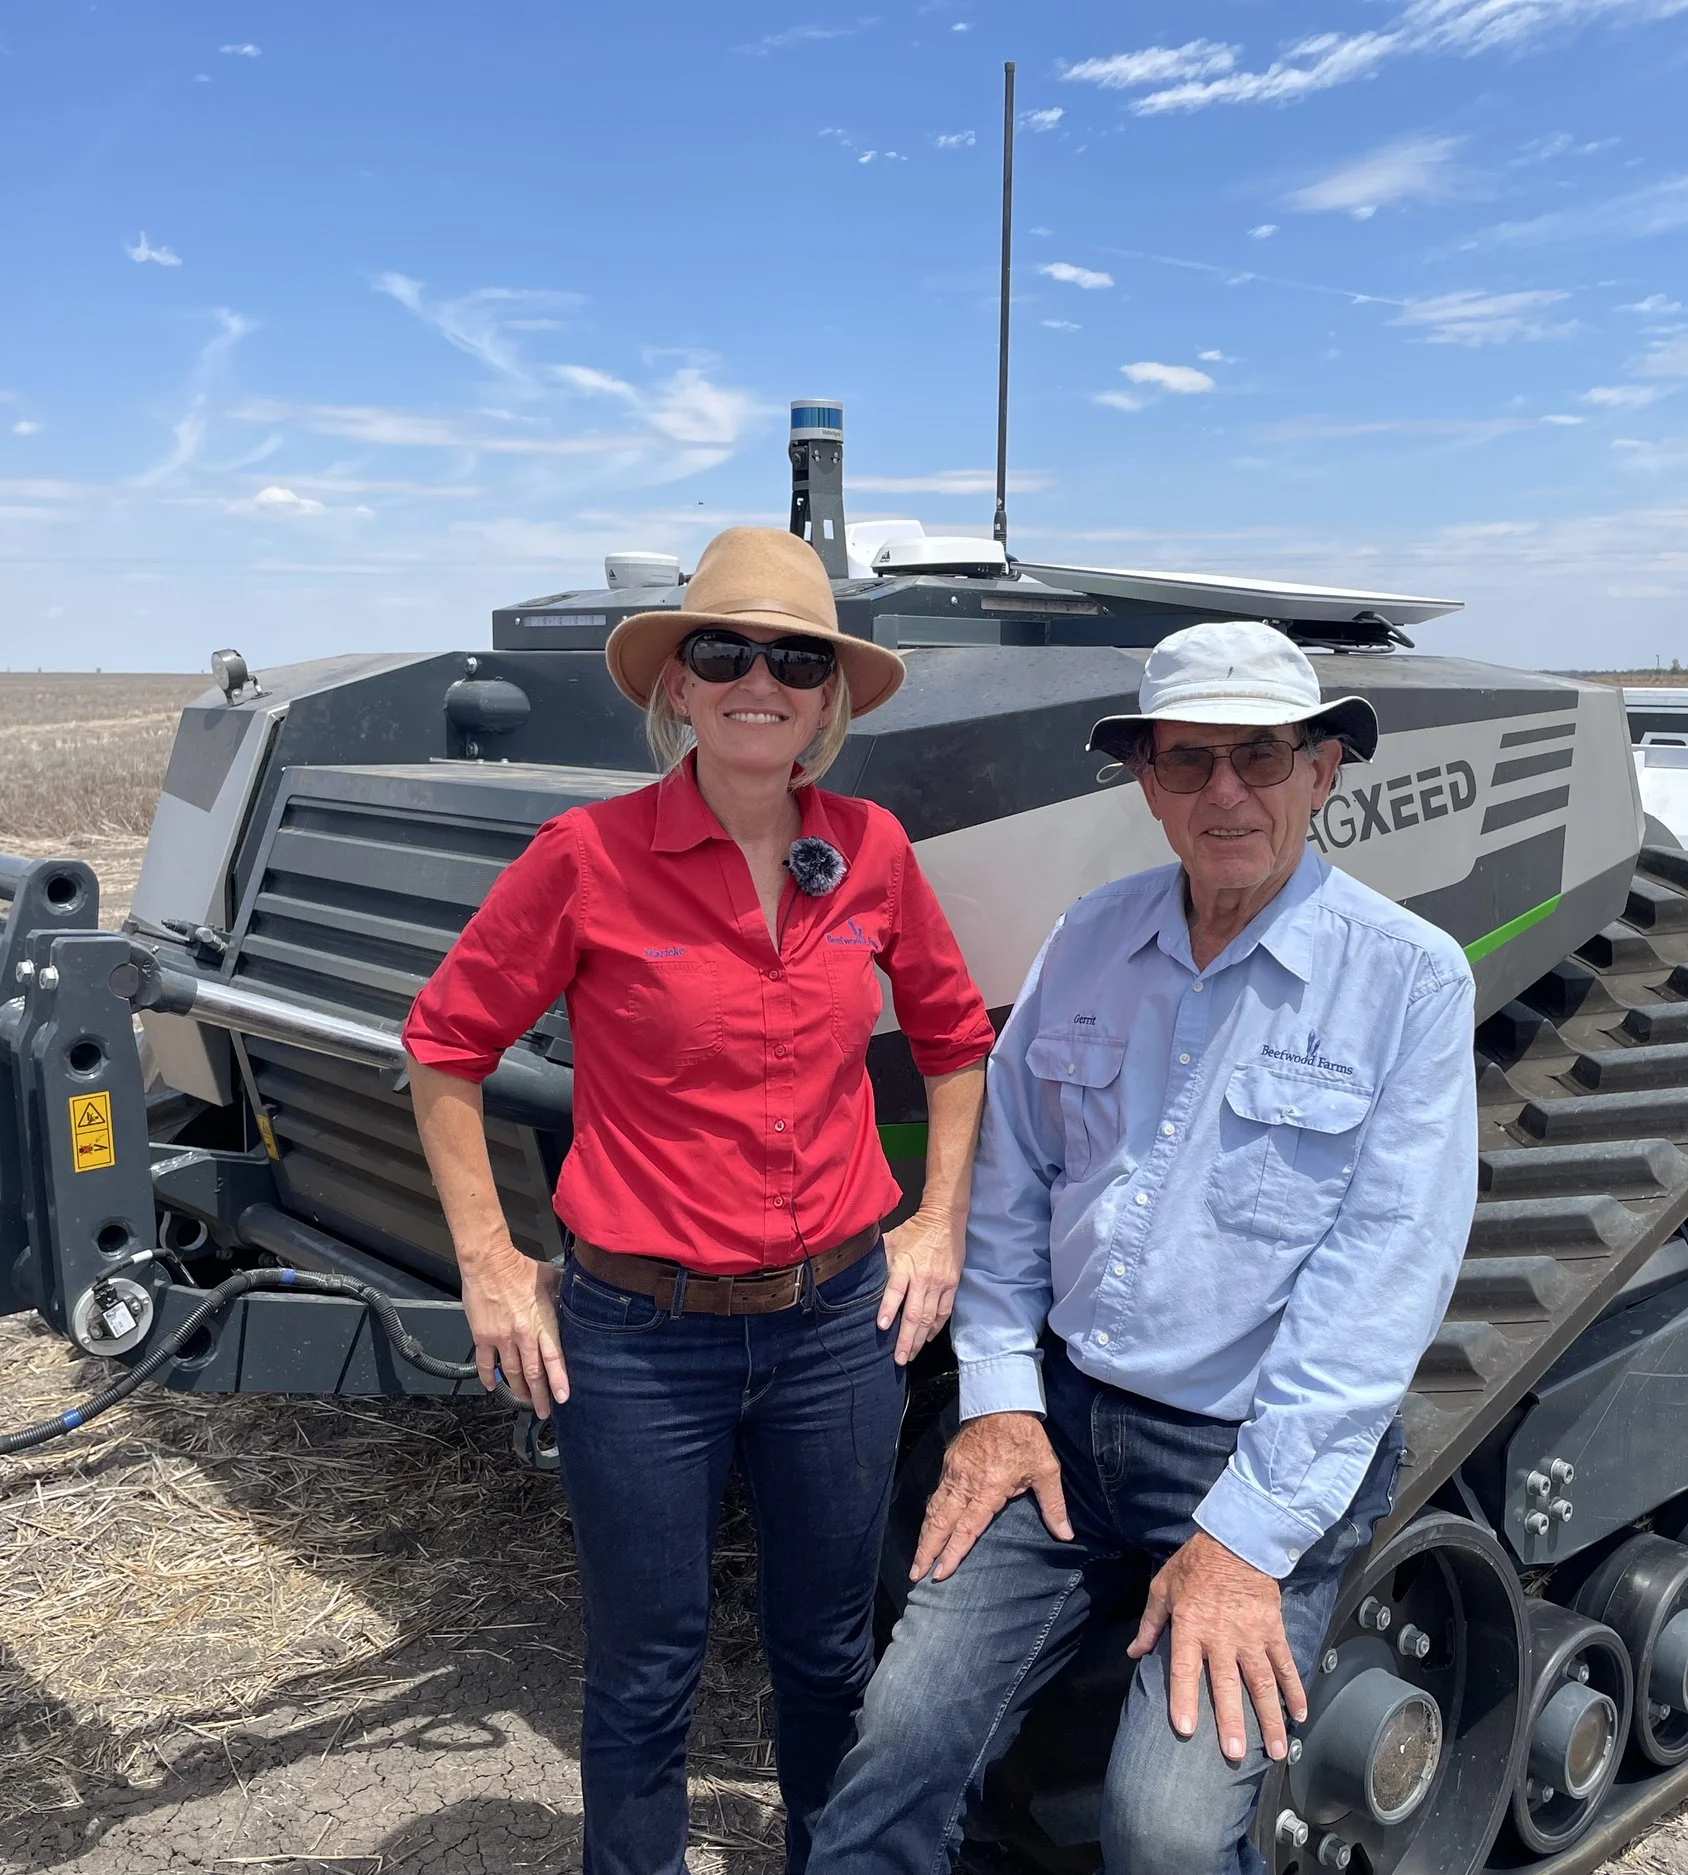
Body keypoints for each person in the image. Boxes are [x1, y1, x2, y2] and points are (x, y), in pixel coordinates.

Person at [807, 619, 1479, 1874]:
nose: (1225, 793)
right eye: (1187, 760)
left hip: (1245, 1453)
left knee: (1162, 1834)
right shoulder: (1088, 939)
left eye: (1260, 755)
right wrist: (998, 1398)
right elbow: (1010, 1181)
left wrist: (1244, 1540)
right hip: (1060, 1428)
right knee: (895, 1744)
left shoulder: (1407, 981)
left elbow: (1383, 1282)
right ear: (1147, 783)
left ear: (1322, 770)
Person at [400, 526, 994, 1875]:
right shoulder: (587, 855)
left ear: (829, 696)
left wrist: (938, 1223)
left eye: (796, 659)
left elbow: (957, 1040)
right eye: (723, 652)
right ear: (676, 683)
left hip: (837, 1327)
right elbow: (443, 1047)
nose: (758, 682)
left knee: (829, 1652)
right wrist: (488, 1261)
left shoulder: (872, 849)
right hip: (639, 1338)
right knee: (646, 1665)